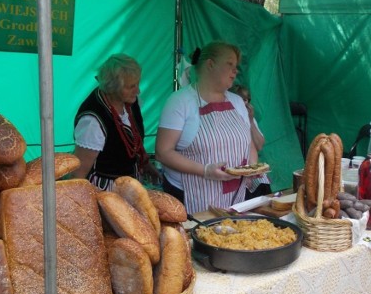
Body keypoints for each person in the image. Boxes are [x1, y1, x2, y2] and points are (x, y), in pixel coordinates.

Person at [155, 41, 259, 214]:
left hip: (235, 195)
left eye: (236, 66)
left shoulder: (237, 101)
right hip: (191, 197)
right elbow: (163, 152)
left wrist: (253, 166)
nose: (236, 70)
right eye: (230, 64)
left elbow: (249, 144)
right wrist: (205, 170)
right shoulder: (180, 101)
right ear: (210, 64)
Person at [71, 53, 158, 191]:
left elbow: (133, 142)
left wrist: (145, 164)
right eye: (131, 86)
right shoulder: (93, 121)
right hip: (105, 192)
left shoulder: (130, 103)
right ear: (112, 87)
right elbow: (78, 175)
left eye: (137, 84)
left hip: (130, 188)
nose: (138, 90)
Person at [229, 83, 272, 198]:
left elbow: (259, 145)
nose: (245, 103)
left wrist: (251, 121)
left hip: (248, 167)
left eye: (247, 100)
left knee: (263, 181)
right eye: (241, 99)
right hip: (233, 168)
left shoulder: (248, 117)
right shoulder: (226, 119)